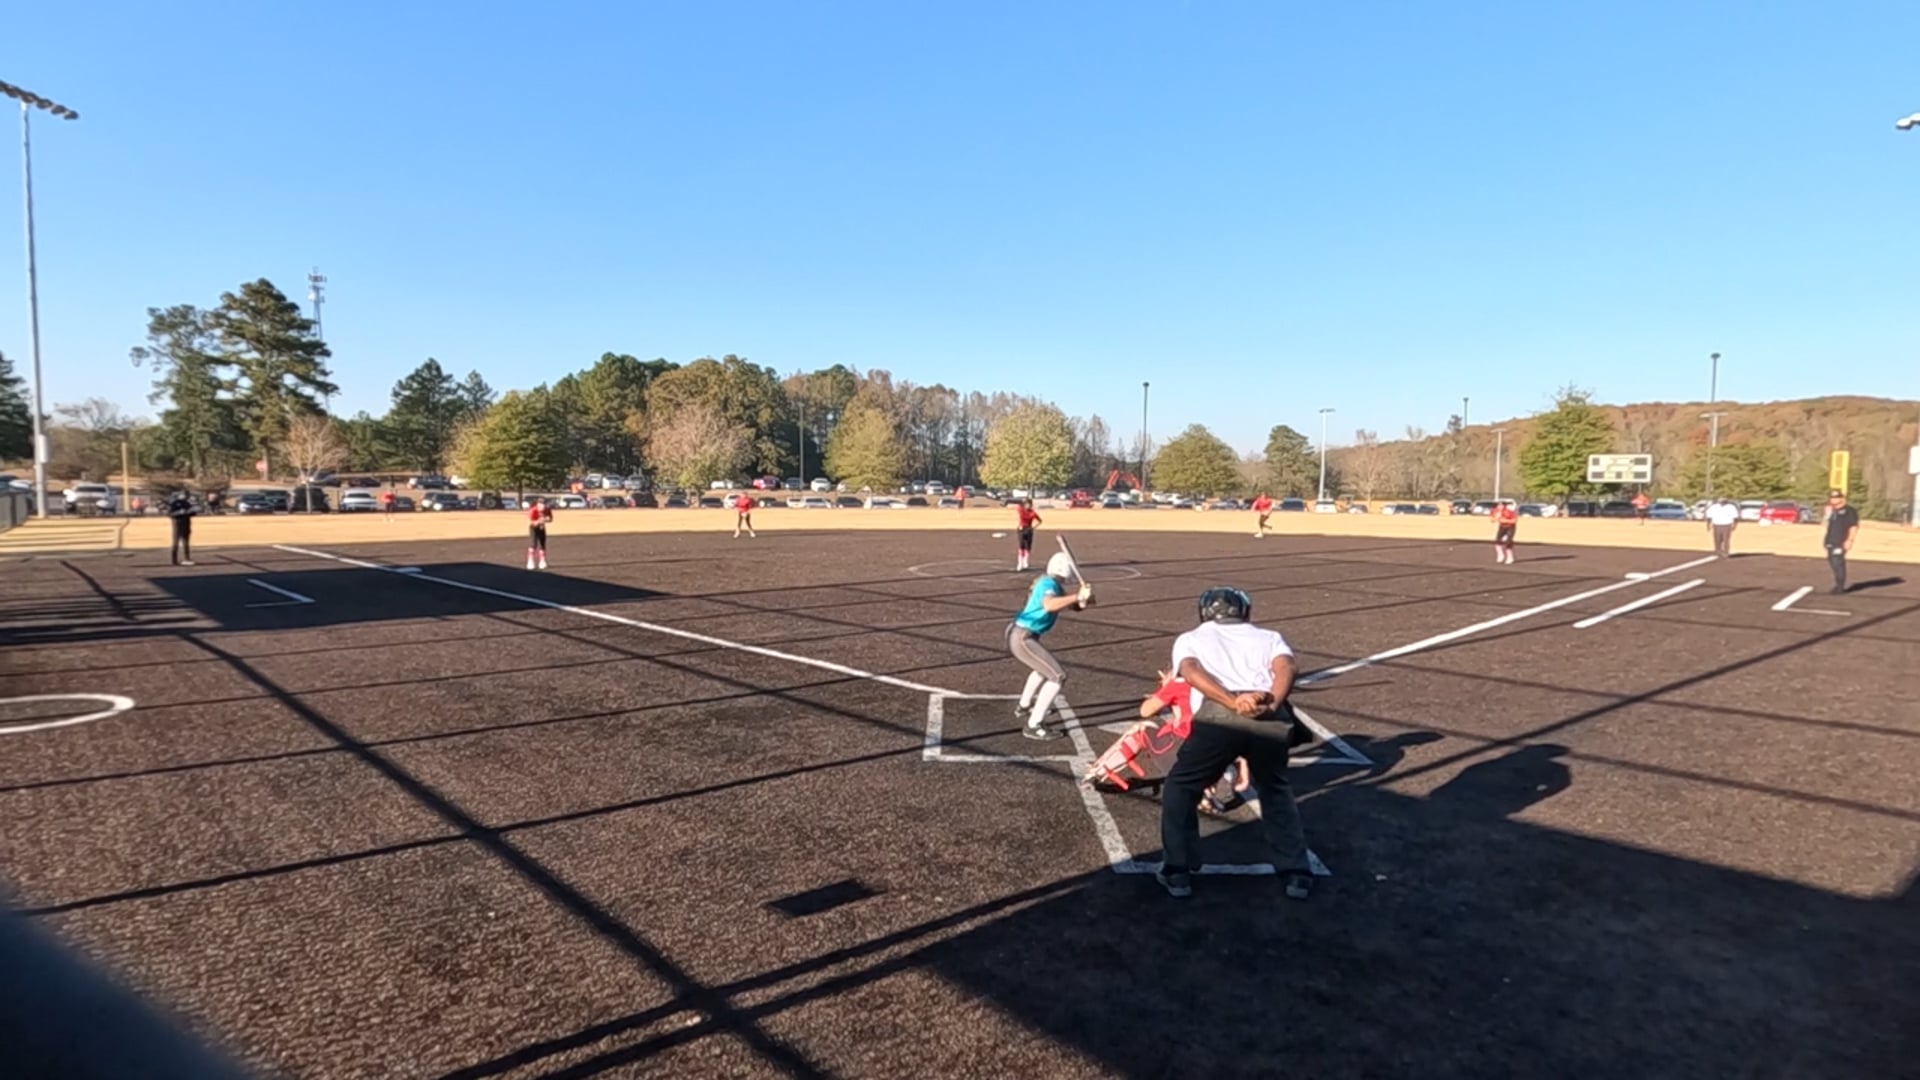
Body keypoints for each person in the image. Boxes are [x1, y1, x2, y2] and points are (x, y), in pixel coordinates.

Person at [1156, 587, 1313, 901]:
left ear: (1205, 612)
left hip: (1219, 715)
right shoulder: (1269, 637)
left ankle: (1178, 869)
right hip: (1268, 712)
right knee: (1275, 787)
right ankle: (1296, 872)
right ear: (1244, 610)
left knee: (1181, 786)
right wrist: (1271, 705)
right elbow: (1287, 668)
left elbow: (1190, 671)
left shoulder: (1191, 638)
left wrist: (1232, 701)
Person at [1006, 551, 1092, 740]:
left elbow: (1071, 605)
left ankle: (1024, 706)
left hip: (1022, 634)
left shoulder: (1052, 584)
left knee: (1042, 670)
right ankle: (1033, 725)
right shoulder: (1048, 584)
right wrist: (1076, 596)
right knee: (1057, 676)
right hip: (1022, 637)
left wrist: (1083, 600)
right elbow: (1049, 605)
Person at [1822, 489, 1859, 594]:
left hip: (1840, 541)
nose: (1834, 500)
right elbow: (1826, 525)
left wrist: (1849, 540)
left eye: (1836, 497)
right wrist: (1827, 515)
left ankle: (1840, 587)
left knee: (1838, 563)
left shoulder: (1849, 511)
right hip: (1831, 541)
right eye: (1832, 498)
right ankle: (1838, 585)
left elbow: (1853, 526)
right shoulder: (1831, 511)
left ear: (1842, 498)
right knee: (1833, 563)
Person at [165, 490, 196, 567]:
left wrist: (190, 512)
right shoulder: (174, 503)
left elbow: (193, 513)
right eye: (184, 495)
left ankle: (187, 558)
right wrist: (179, 512)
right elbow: (170, 514)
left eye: (186, 495)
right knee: (175, 543)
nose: (185, 496)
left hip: (186, 525)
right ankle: (174, 560)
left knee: (186, 543)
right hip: (177, 525)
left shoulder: (187, 503)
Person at [1013, 498, 1042, 572]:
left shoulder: (1032, 513)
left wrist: (1033, 527)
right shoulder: (1021, 510)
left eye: (1029, 504)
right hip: (1021, 529)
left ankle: (1025, 561)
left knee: (1028, 546)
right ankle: (1020, 563)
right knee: (1021, 545)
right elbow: (1017, 505)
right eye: (1026, 504)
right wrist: (1022, 500)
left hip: (1029, 529)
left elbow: (1040, 521)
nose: (1028, 506)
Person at [526, 497, 553, 570]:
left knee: (542, 544)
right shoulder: (533, 510)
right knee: (533, 544)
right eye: (540, 504)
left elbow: (550, 519)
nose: (542, 506)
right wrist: (538, 521)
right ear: (537, 504)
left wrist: (546, 519)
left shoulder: (547, 509)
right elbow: (530, 522)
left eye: (544, 504)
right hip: (533, 528)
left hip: (541, 527)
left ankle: (542, 561)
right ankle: (530, 561)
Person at [1491, 500, 1519, 564]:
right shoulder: (1496, 511)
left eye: (1501, 505)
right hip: (1502, 527)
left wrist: (1505, 520)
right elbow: (1492, 520)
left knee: (1508, 542)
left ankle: (1510, 557)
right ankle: (1500, 555)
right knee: (1497, 540)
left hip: (1510, 527)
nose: (1499, 507)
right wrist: (1496, 517)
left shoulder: (1509, 511)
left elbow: (1514, 521)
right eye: (1498, 505)